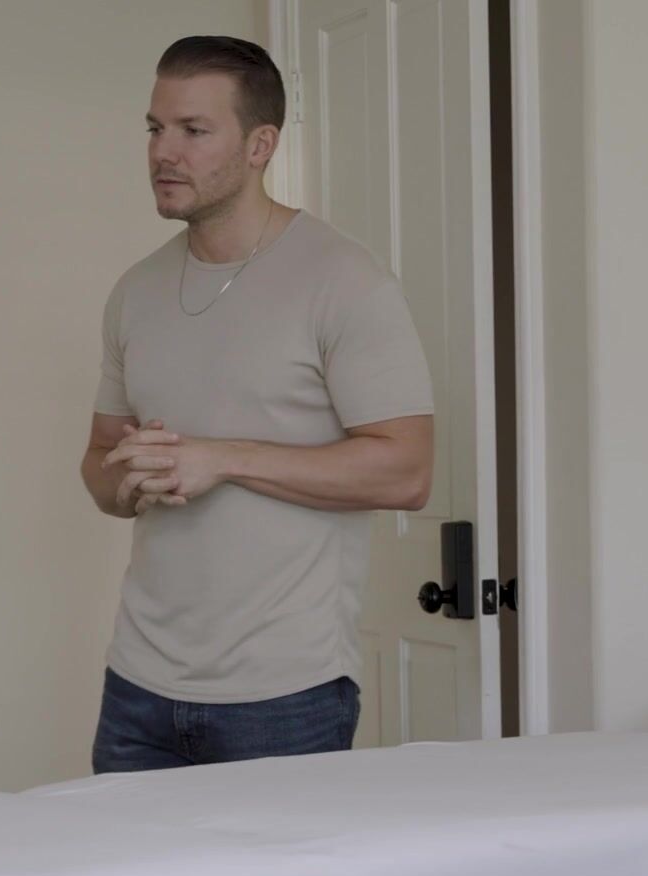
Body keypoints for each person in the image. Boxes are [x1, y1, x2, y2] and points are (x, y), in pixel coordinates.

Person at [79, 36, 436, 772]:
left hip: (285, 697)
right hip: (137, 688)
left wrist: (223, 458)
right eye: (155, 128)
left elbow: (407, 472)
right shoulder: (136, 291)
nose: (163, 152)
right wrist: (130, 478)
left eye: (194, 130)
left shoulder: (346, 280)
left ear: (259, 145)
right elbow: (99, 465)